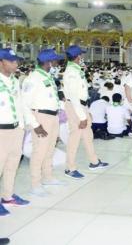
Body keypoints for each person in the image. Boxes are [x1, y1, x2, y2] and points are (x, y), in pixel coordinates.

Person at [22, 49, 65, 197]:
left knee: (49, 150)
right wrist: (35, 124)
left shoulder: (47, 76)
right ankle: (35, 185)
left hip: (53, 117)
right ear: (48, 62)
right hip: (41, 117)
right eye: (55, 61)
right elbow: (24, 104)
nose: (57, 63)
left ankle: (48, 177)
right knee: (39, 151)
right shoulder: (32, 79)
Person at [63, 45, 109, 179]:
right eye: (81, 55)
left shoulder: (76, 70)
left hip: (81, 106)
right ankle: (69, 168)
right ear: (78, 57)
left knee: (88, 136)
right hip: (75, 106)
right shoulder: (71, 72)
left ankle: (94, 161)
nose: (82, 57)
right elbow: (73, 96)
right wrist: (82, 116)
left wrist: (85, 111)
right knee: (75, 138)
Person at [0, 48, 30, 216]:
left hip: (16, 129)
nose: (16, 64)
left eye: (16, 60)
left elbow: (20, 104)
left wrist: (23, 126)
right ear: (1, 62)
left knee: (12, 166)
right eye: (11, 61)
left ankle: (7, 196)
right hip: (1, 131)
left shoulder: (14, 80)